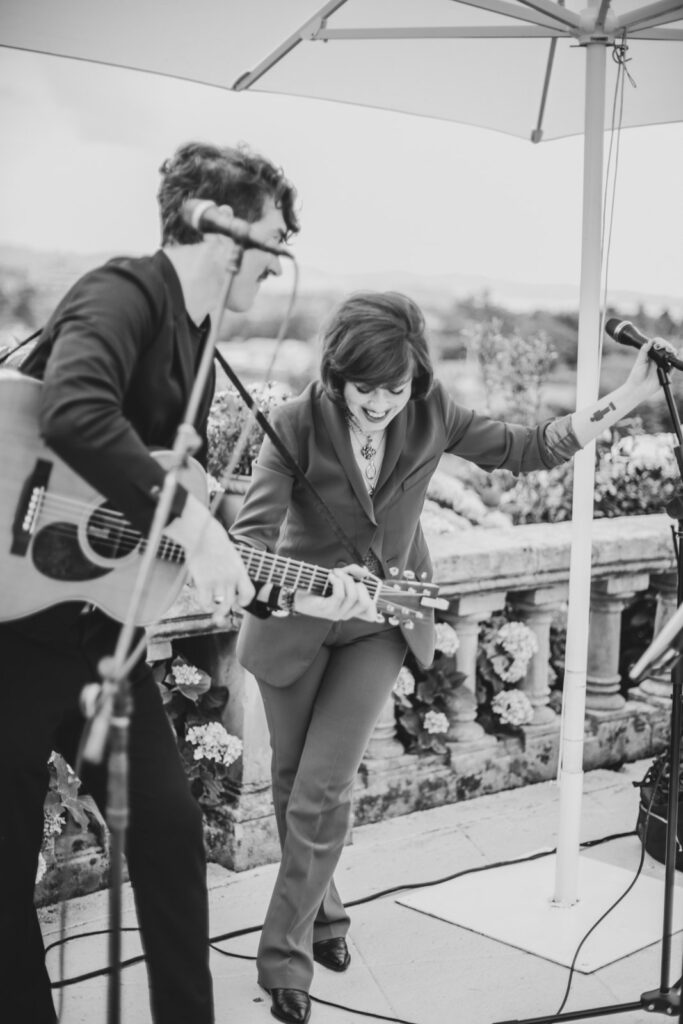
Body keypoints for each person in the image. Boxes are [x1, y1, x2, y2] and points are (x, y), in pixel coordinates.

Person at [0, 141, 372, 1024]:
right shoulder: (120, 294)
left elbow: (145, 514)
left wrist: (296, 588)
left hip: (103, 637)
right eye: (276, 235)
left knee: (169, 837)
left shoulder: (200, 342)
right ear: (222, 227)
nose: (284, 256)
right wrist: (193, 522)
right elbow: (72, 411)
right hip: (16, 630)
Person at [229, 290, 676, 1024]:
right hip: (296, 623)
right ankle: (326, 917)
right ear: (335, 375)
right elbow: (248, 546)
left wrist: (627, 396)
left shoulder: (433, 414)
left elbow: (529, 448)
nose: (378, 405)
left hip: (383, 623)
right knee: (289, 784)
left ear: (417, 379)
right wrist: (312, 597)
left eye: (394, 389)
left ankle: (283, 958)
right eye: (362, 390)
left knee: (321, 787)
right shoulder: (291, 424)